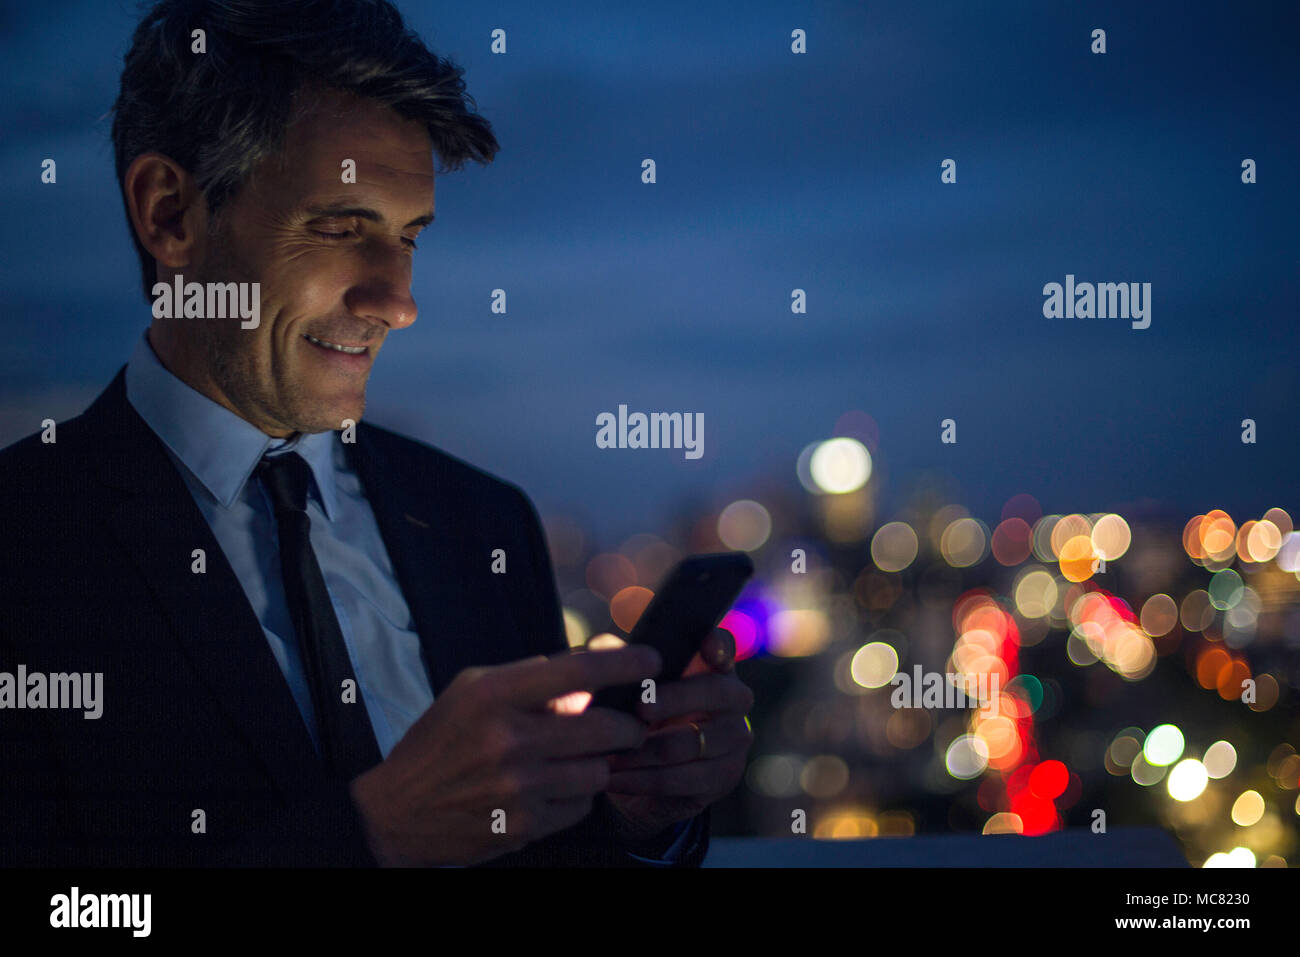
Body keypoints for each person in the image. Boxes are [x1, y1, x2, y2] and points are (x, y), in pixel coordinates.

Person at [0, 0, 753, 867]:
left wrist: (628, 812)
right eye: (340, 227)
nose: (399, 301)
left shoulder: (484, 523)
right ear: (170, 213)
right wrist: (372, 837)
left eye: (409, 238)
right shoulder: (24, 545)